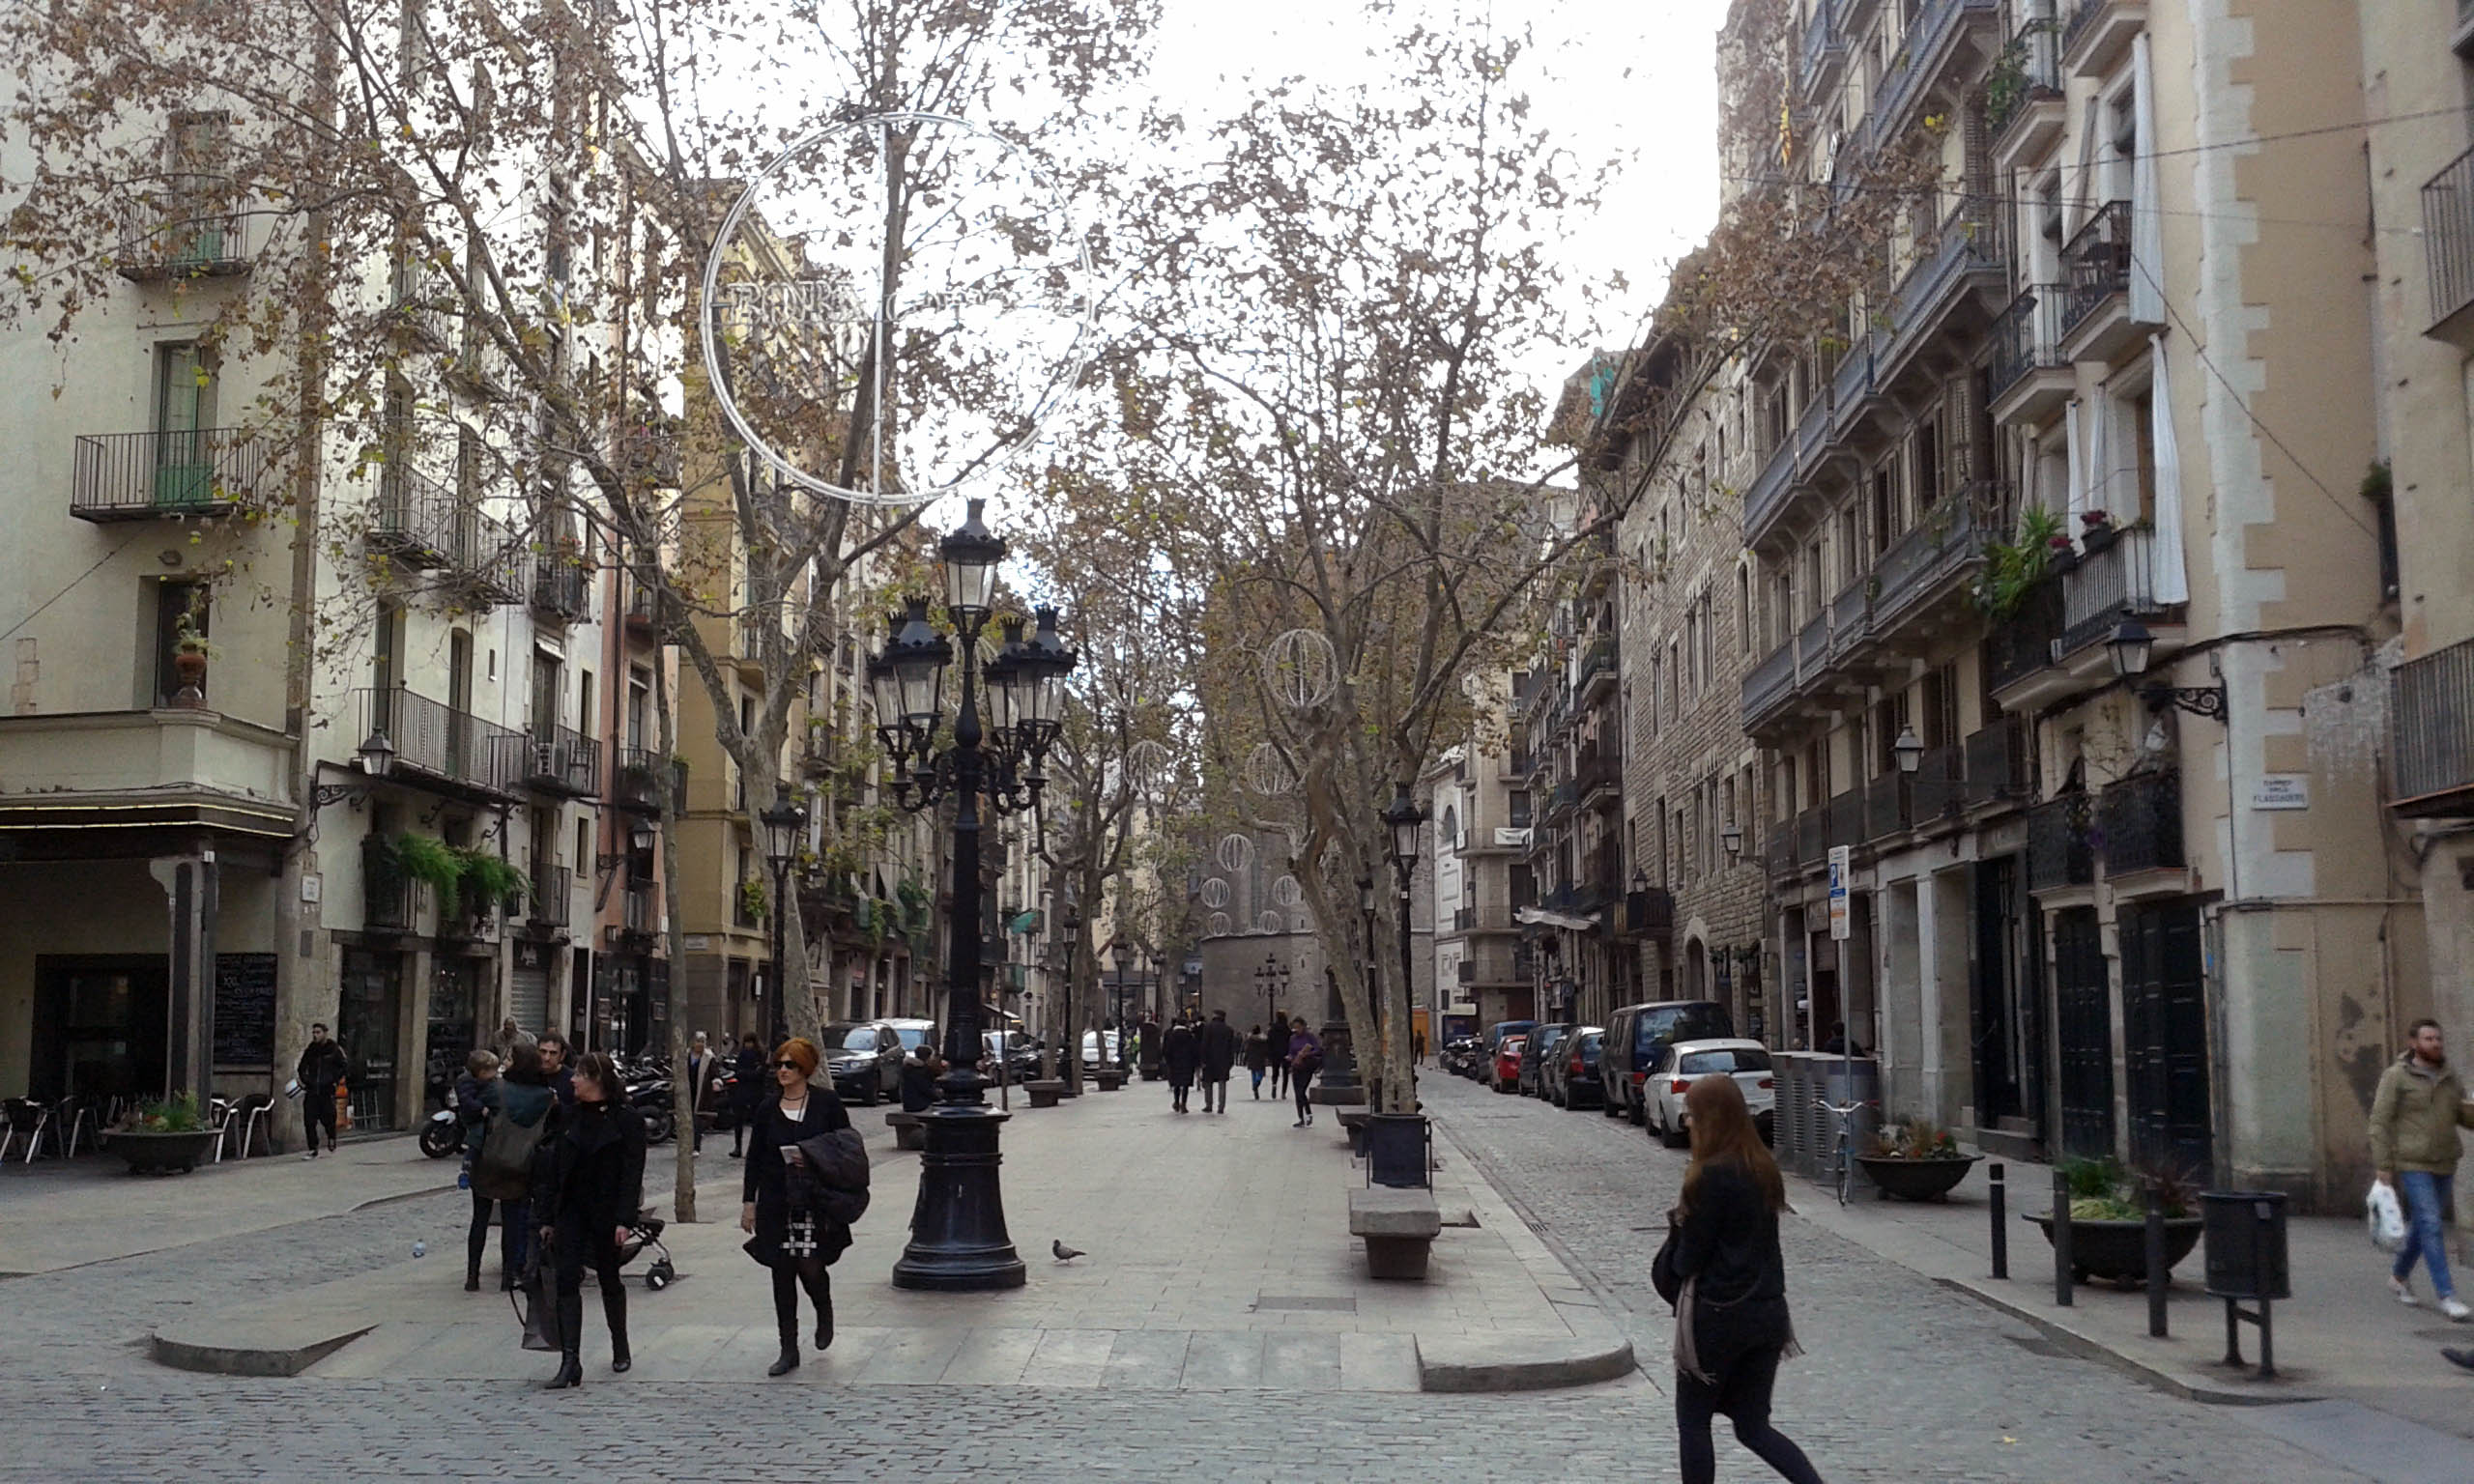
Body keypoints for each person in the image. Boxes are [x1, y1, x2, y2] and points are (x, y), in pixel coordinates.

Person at [1656, 1074, 1827, 1484]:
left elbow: (1687, 1261)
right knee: (1753, 1426)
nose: (1689, 1123)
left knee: (1694, 1421)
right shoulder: (1762, 1166)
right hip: (1767, 1313)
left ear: (1711, 1119)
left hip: (1718, 1315)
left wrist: (1678, 1227)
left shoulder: (1710, 1175)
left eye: (1694, 1115)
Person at [531, 1051, 647, 1388]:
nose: (572, 1080)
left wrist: (625, 1218)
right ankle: (570, 1359)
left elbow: (632, 1173)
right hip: (572, 1210)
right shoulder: (567, 1117)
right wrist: (547, 1217)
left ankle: (620, 1345)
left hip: (607, 1213)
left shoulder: (627, 1120)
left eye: (579, 1075)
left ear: (595, 1080)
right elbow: (553, 1170)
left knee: (609, 1278)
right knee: (566, 1280)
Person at [740, 1038, 853, 1377]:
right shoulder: (767, 1108)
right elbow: (755, 1157)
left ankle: (823, 1309)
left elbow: (846, 1146)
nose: (782, 1071)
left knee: (811, 1266)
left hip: (813, 1200)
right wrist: (749, 1202)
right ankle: (787, 1348)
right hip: (776, 1200)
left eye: (789, 1065)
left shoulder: (826, 1104)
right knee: (781, 1272)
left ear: (805, 1068)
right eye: (778, 1064)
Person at [2373, 1018, 2474, 1320]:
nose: (2436, 1044)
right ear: (2413, 1043)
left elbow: (2460, 1115)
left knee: (2422, 1225)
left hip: (2445, 1159)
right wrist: (2383, 1164)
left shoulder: (2449, 1076)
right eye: (2429, 1039)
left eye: (2438, 1039)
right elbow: (2379, 1121)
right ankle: (2447, 1295)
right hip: (2412, 1161)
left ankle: (2399, 1276)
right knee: (2431, 1223)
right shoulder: (2396, 1077)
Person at [468, 1043, 551, 1293]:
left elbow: (473, 1112)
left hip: (490, 1160)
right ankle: (507, 1276)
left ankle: (472, 1275)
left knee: (479, 1219)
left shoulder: (497, 1089)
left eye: (511, 1059)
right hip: (521, 1163)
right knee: (512, 1222)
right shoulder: (546, 1095)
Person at [296, 1022, 349, 1158]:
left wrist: (333, 1079)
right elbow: (302, 1066)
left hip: (327, 1090)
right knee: (309, 1120)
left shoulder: (334, 1049)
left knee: (329, 1118)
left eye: (318, 1032)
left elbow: (343, 1066)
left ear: (325, 1033)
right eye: (313, 1032)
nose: (315, 1035)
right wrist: (306, 1080)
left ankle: (331, 1137)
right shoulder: (311, 1049)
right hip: (312, 1089)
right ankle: (313, 1148)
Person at [452, 1049, 499, 1183]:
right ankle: (466, 1169)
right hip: (473, 1117)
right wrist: (481, 1108)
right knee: (476, 1140)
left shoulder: (485, 1080)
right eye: (492, 1071)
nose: (494, 1075)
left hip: (480, 1115)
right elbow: (466, 1100)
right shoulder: (466, 1082)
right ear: (482, 1072)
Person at [730, 1033, 766, 1157]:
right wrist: (747, 1073)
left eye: (750, 1042)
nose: (748, 1045)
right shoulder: (742, 1054)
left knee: (756, 1122)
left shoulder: (760, 1054)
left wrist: (746, 1074)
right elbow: (738, 1071)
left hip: (755, 1092)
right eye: (746, 1042)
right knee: (738, 1120)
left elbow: (760, 1074)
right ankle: (738, 1147)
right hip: (742, 1091)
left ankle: (754, 1148)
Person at [1197, 1011, 1241, 1114]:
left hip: (1209, 1059)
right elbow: (1231, 1047)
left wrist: (1203, 1059)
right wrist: (1231, 1061)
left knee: (1208, 1083)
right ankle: (1221, 1106)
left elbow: (1204, 1045)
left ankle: (1209, 1104)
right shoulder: (1229, 1030)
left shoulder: (1208, 1028)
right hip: (1223, 1060)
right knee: (1222, 1083)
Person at [1286, 1017, 1323, 1127]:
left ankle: (1308, 1113)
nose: (1296, 1029)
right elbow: (1290, 1052)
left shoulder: (1309, 1037)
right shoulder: (1292, 1038)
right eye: (1294, 1027)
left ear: (1303, 1026)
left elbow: (1317, 1049)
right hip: (1296, 1066)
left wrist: (1307, 1054)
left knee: (1302, 1091)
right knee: (1297, 1093)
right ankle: (1301, 1118)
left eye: (1298, 1027)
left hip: (1307, 1067)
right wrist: (1290, 1057)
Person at [685, 1031, 718, 1154]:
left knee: (697, 1120)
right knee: (686, 1120)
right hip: (687, 1091)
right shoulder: (685, 1055)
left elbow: (715, 1073)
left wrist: (716, 1082)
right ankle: (686, 1145)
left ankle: (696, 1146)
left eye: (702, 1042)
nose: (700, 1044)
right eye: (698, 1041)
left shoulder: (709, 1057)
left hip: (702, 1092)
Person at [1163, 1016, 1200, 1114]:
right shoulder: (1190, 1036)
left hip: (1175, 1063)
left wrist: (1168, 1061)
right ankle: (1184, 1104)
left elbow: (1167, 1050)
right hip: (1187, 1063)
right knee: (1185, 1084)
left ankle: (1176, 1102)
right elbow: (1194, 1050)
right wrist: (1196, 1062)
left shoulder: (1172, 1035)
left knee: (1176, 1084)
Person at [900, 1042, 945, 1114]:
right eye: (932, 1056)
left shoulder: (909, 1068)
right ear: (928, 1057)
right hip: (920, 1105)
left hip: (909, 1104)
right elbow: (927, 1090)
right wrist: (940, 1095)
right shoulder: (921, 1070)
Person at [538, 1033, 576, 1108]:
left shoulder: (573, 1080)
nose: (547, 1058)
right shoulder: (528, 1074)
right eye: (543, 1052)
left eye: (553, 1053)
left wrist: (557, 1105)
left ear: (562, 1055)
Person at [1244, 1025, 1271, 1099]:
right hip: (1260, 1058)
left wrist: (1245, 1058)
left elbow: (1247, 1049)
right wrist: (1267, 1056)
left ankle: (1254, 1087)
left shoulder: (1250, 1039)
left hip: (1252, 1058)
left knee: (1253, 1072)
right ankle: (1257, 1082)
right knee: (1261, 1072)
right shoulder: (1263, 1039)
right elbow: (1266, 1049)